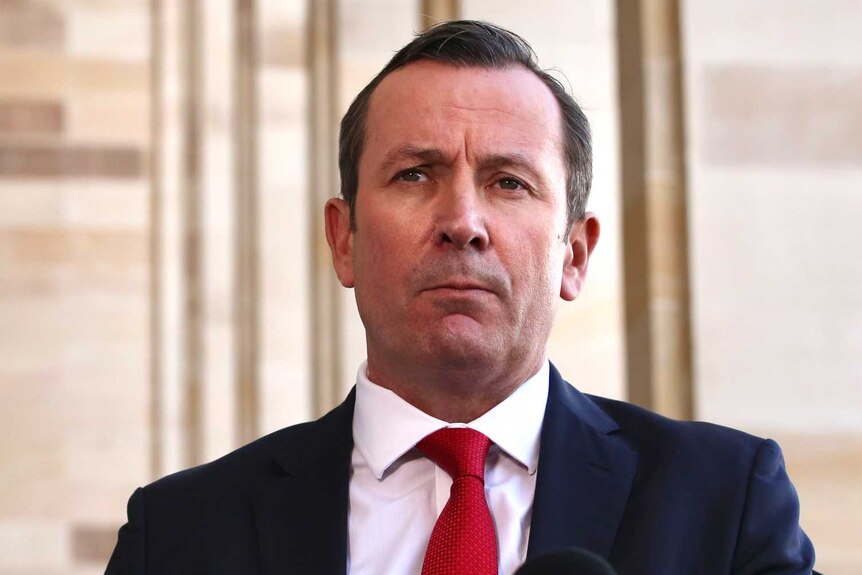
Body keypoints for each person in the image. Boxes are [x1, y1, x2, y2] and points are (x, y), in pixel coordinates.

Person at [106, 20, 818, 575]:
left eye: (509, 182)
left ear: (575, 253)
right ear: (344, 238)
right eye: (416, 174)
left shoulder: (725, 503)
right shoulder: (181, 533)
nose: (463, 223)